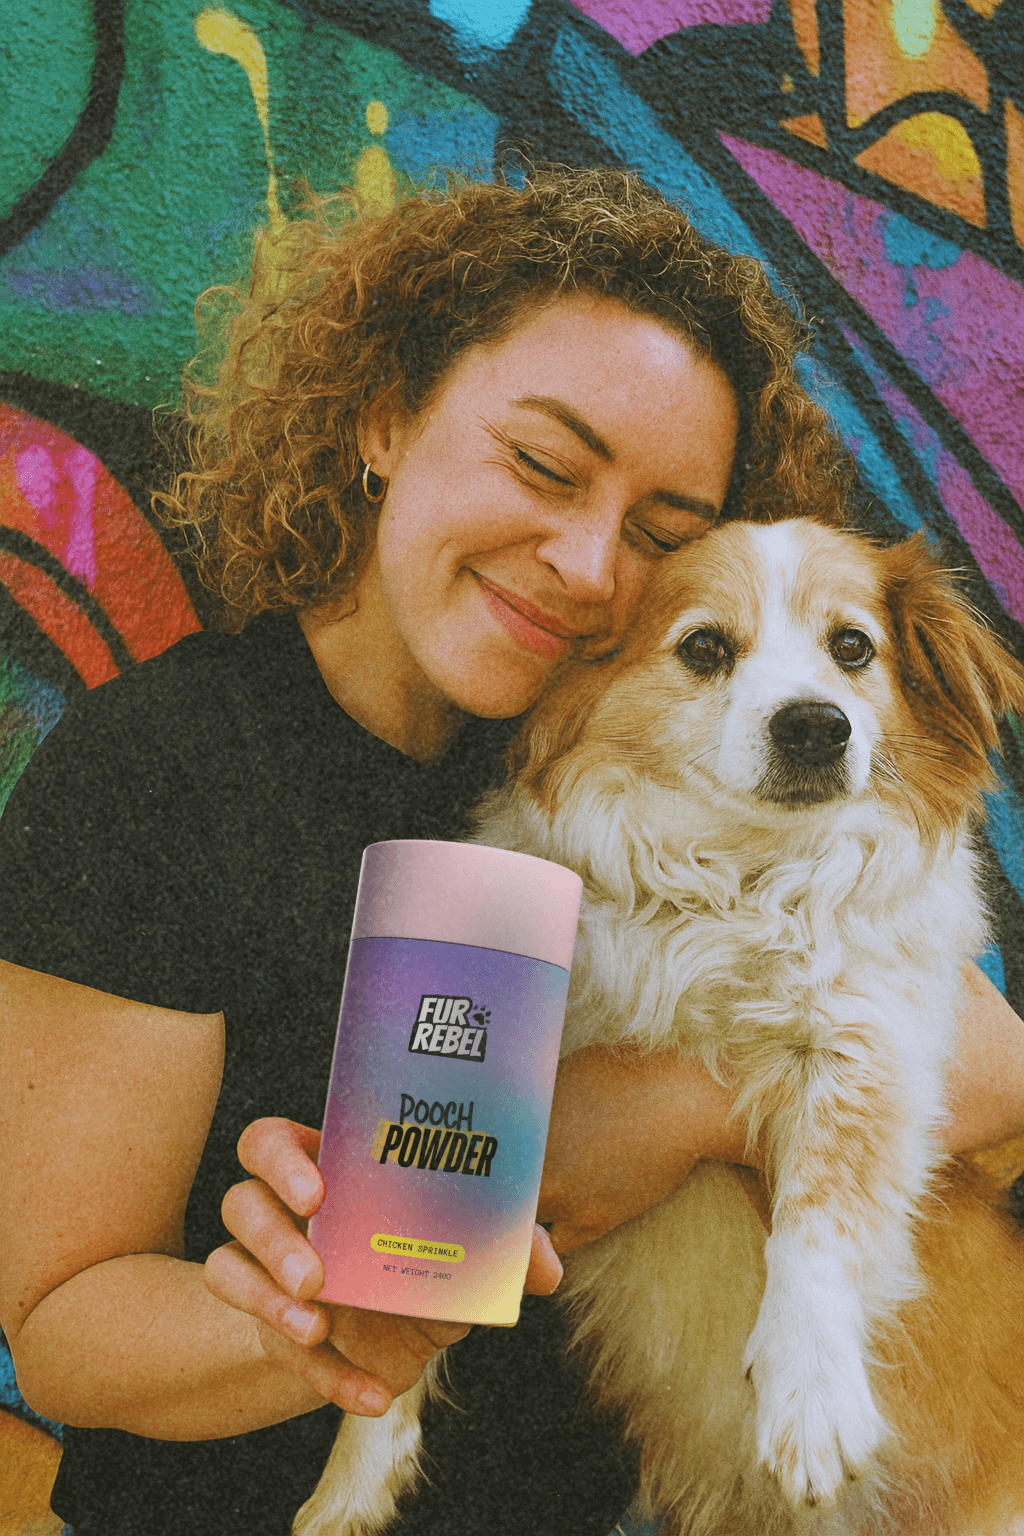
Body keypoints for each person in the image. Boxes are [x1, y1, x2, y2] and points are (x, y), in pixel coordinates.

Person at [1, 167, 1022, 1536]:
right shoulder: (166, 775)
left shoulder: (656, 755)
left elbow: (990, 1062)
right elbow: (63, 1329)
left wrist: (660, 1113)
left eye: (665, 533)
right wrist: (307, 1324)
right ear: (383, 416)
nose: (593, 565)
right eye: (542, 466)